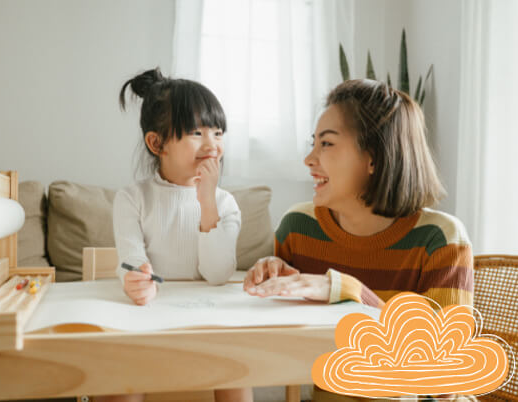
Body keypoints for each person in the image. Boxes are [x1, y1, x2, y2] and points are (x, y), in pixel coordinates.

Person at [244, 79, 474, 401]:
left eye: (326, 144)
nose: (309, 159)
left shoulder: (440, 239)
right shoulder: (299, 227)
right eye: (314, 142)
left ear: (374, 158)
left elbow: (443, 380)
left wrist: (349, 292)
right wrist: (274, 271)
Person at [95, 67, 252, 402]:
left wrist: (207, 202)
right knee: (119, 375)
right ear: (157, 143)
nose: (212, 144)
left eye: (218, 133)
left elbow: (218, 274)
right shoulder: (132, 198)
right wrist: (137, 277)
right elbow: (131, 257)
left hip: (207, 321)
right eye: (197, 132)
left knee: (238, 366)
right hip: (148, 321)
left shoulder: (225, 203)